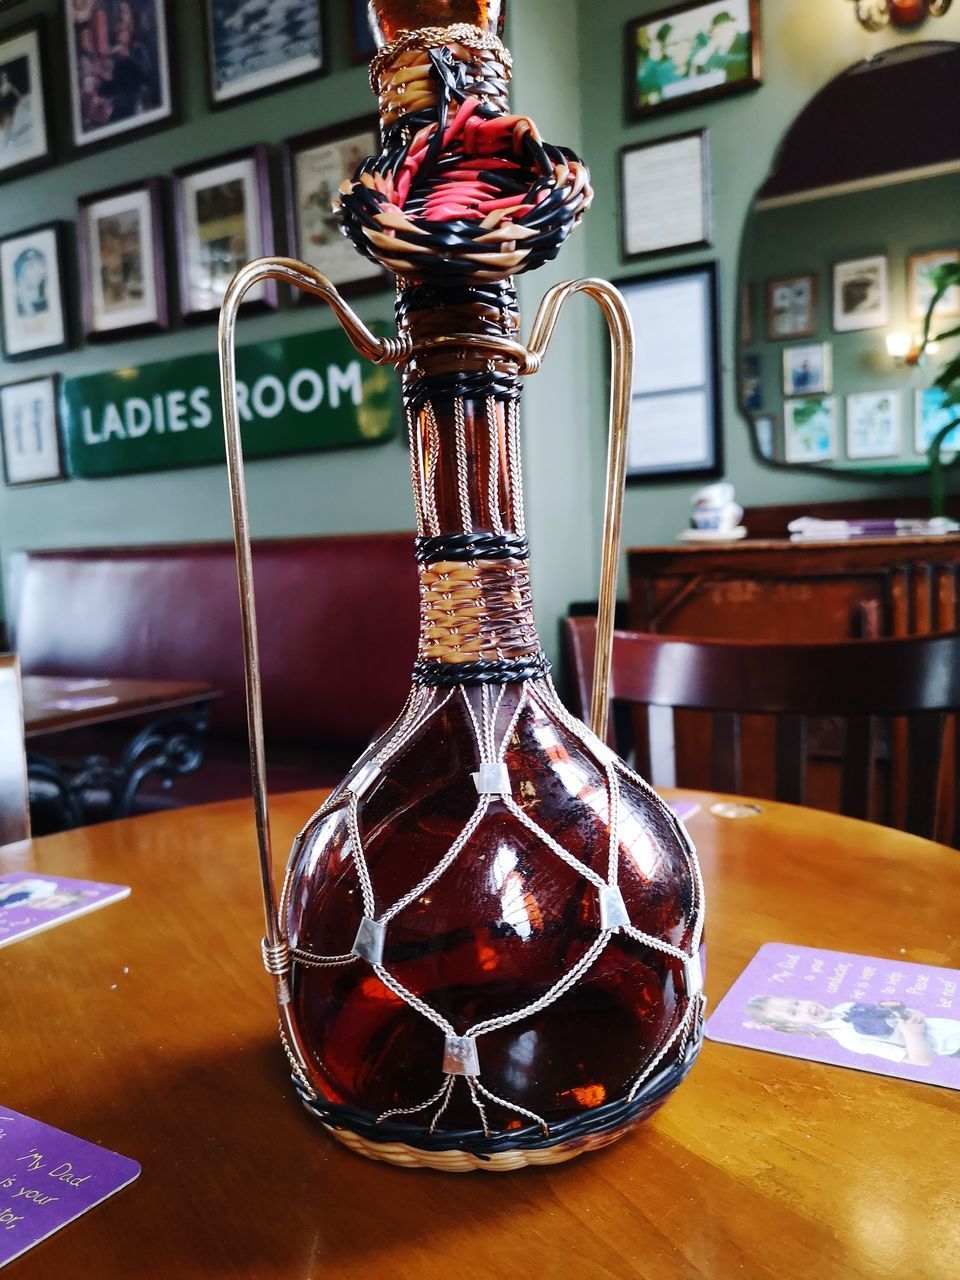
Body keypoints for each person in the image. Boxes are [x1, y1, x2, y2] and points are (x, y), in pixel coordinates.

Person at [746, 994, 960, 1067]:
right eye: (794, 1013)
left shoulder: (846, 1007)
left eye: (796, 1002)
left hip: (952, 1026)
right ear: (793, 1025)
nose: (805, 1007)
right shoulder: (850, 1040)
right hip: (953, 1045)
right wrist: (912, 1033)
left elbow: (912, 1014)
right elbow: (921, 1060)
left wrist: (912, 1015)